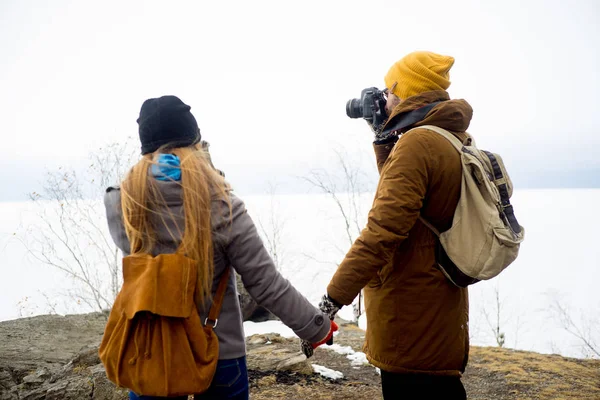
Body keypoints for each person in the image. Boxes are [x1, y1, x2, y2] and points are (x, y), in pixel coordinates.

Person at [104, 95, 337, 400]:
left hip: (149, 351)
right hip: (218, 354)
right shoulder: (222, 205)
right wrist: (316, 328)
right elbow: (265, 284)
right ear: (196, 142)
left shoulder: (122, 201)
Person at [316, 51, 471, 399]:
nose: (383, 99)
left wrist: (331, 299)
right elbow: (407, 202)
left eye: (388, 90)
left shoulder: (417, 144)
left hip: (411, 311)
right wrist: (385, 140)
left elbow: (383, 232)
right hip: (436, 298)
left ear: (406, 92)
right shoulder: (445, 137)